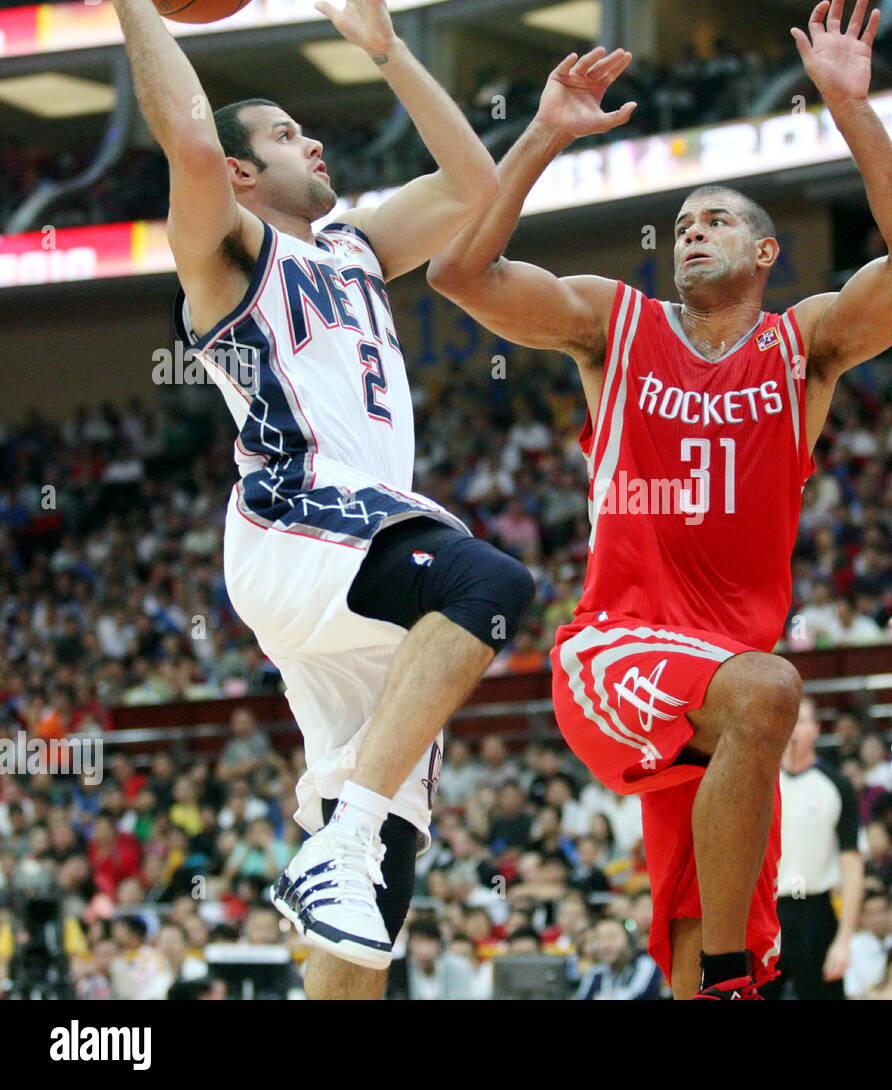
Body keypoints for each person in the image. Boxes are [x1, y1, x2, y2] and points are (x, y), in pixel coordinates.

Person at [427, 0, 892, 1000]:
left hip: (718, 714)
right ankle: (724, 980)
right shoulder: (614, 324)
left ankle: (711, 977)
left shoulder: (804, 347)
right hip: (616, 651)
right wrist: (542, 134)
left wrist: (850, 111)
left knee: (699, 940)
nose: (695, 229)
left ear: (763, 256)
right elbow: (460, 273)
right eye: (687, 220)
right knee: (771, 693)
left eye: (721, 221)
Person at [110, 0, 534, 999]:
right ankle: (342, 833)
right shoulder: (228, 255)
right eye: (288, 135)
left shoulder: (354, 247)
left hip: (361, 567)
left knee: (366, 922)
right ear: (246, 169)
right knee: (488, 578)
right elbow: (191, 143)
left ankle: (346, 844)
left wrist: (388, 52)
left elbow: (477, 184)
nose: (316, 143)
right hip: (299, 520)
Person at [762, 697, 862, 999]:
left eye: (801, 721)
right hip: (766, 913)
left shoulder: (837, 785)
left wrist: (844, 940)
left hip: (816, 913)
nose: (793, 730)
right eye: (787, 721)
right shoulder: (759, 784)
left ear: (816, 729)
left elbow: (852, 864)